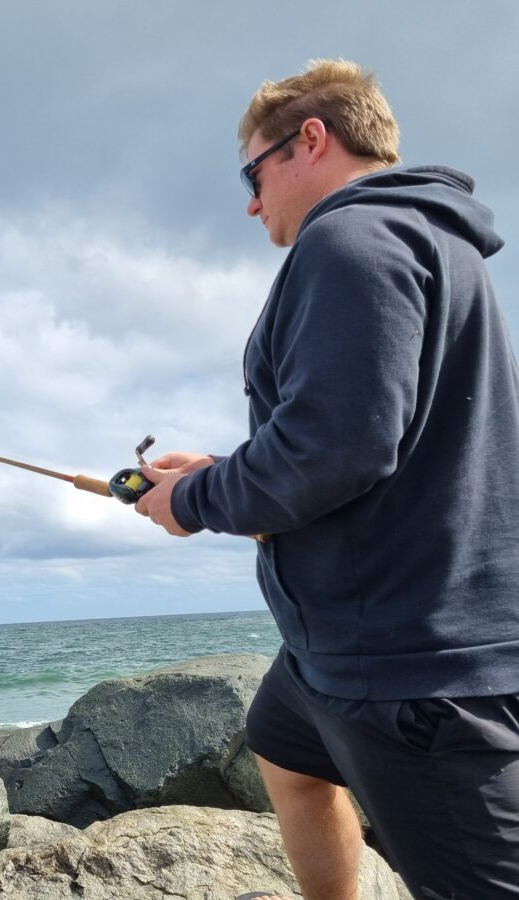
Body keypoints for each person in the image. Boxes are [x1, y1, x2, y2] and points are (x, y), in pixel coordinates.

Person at [135, 59, 519, 899]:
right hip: (335, 650)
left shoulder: (351, 240)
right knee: (284, 749)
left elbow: (334, 451)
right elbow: (367, 431)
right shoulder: (421, 240)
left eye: (252, 171)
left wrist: (194, 501)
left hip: (408, 664)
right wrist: (225, 470)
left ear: (312, 139)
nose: (248, 201)